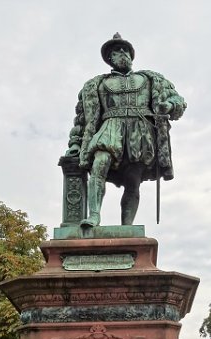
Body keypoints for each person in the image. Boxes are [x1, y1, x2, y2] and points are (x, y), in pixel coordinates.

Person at [65, 32, 187, 227]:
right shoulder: (95, 85)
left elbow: (178, 100)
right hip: (110, 126)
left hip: (140, 132)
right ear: (110, 59)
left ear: (131, 56)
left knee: (133, 180)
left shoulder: (151, 79)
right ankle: (94, 216)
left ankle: (127, 227)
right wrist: (74, 144)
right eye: (117, 51)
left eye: (126, 50)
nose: (122, 53)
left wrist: (169, 107)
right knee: (100, 162)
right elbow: (81, 120)